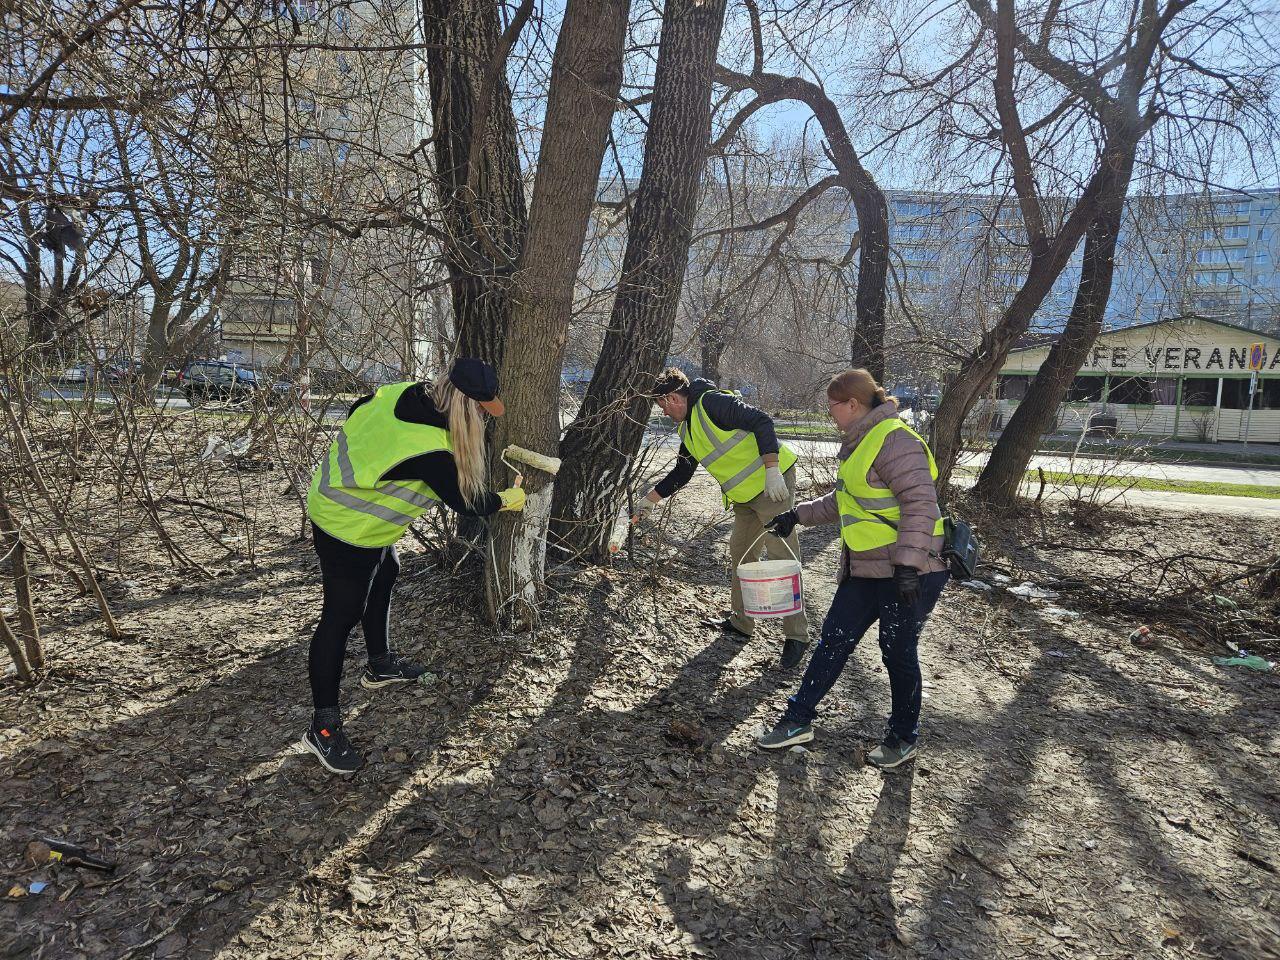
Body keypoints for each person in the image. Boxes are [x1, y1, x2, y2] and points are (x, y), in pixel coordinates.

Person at [301, 358, 526, 775]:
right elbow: (469, 505)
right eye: (480, 411)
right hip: (346, 525)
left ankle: (380, 665)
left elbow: (358, 410)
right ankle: (324, 726)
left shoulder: (406, 391)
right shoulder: (432, 451)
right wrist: (509, 499)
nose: (484, 419)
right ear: (463, 406)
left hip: (351, 509)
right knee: (340, 615)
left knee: (387, 572)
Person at [756, 368, 948, 769]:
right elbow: (848, 500)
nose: (831, 416)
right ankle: (797, 721)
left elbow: (920, 505)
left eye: (832, 408)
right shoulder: (862, 442)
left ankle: (902, 738)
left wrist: (910, 566)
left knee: (897, 653)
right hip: (864, 568)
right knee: (833, 641)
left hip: (908, 573)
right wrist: (797, 515)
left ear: (853, 405)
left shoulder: (896, 441)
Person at [638, 367, 809, 669]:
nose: (663, 411)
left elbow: (761, 421)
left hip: (773, 484)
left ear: (674, 397)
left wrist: (771, 469)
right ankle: (742, 623)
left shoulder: (711, 403)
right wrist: (650, 500)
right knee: (741, 555)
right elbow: (682, 472)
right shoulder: (687, 430)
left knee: (781, 557)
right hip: (745, 497)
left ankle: (797, 636)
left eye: (662, 404)